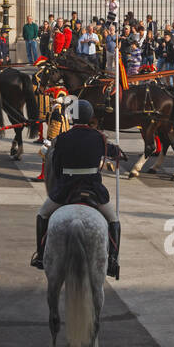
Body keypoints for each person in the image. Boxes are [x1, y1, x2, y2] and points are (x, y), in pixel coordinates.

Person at [29, 100, 123, 278]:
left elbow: (56, 169)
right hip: (93, 190)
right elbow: (113, 152)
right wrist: (117, 151)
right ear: (90, 117)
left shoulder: (62, 139)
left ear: (72, 117)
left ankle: (41, 256)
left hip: (66, 190)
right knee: (113, 220)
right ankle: (112, 260)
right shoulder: (99, 138)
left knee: (42, 214)